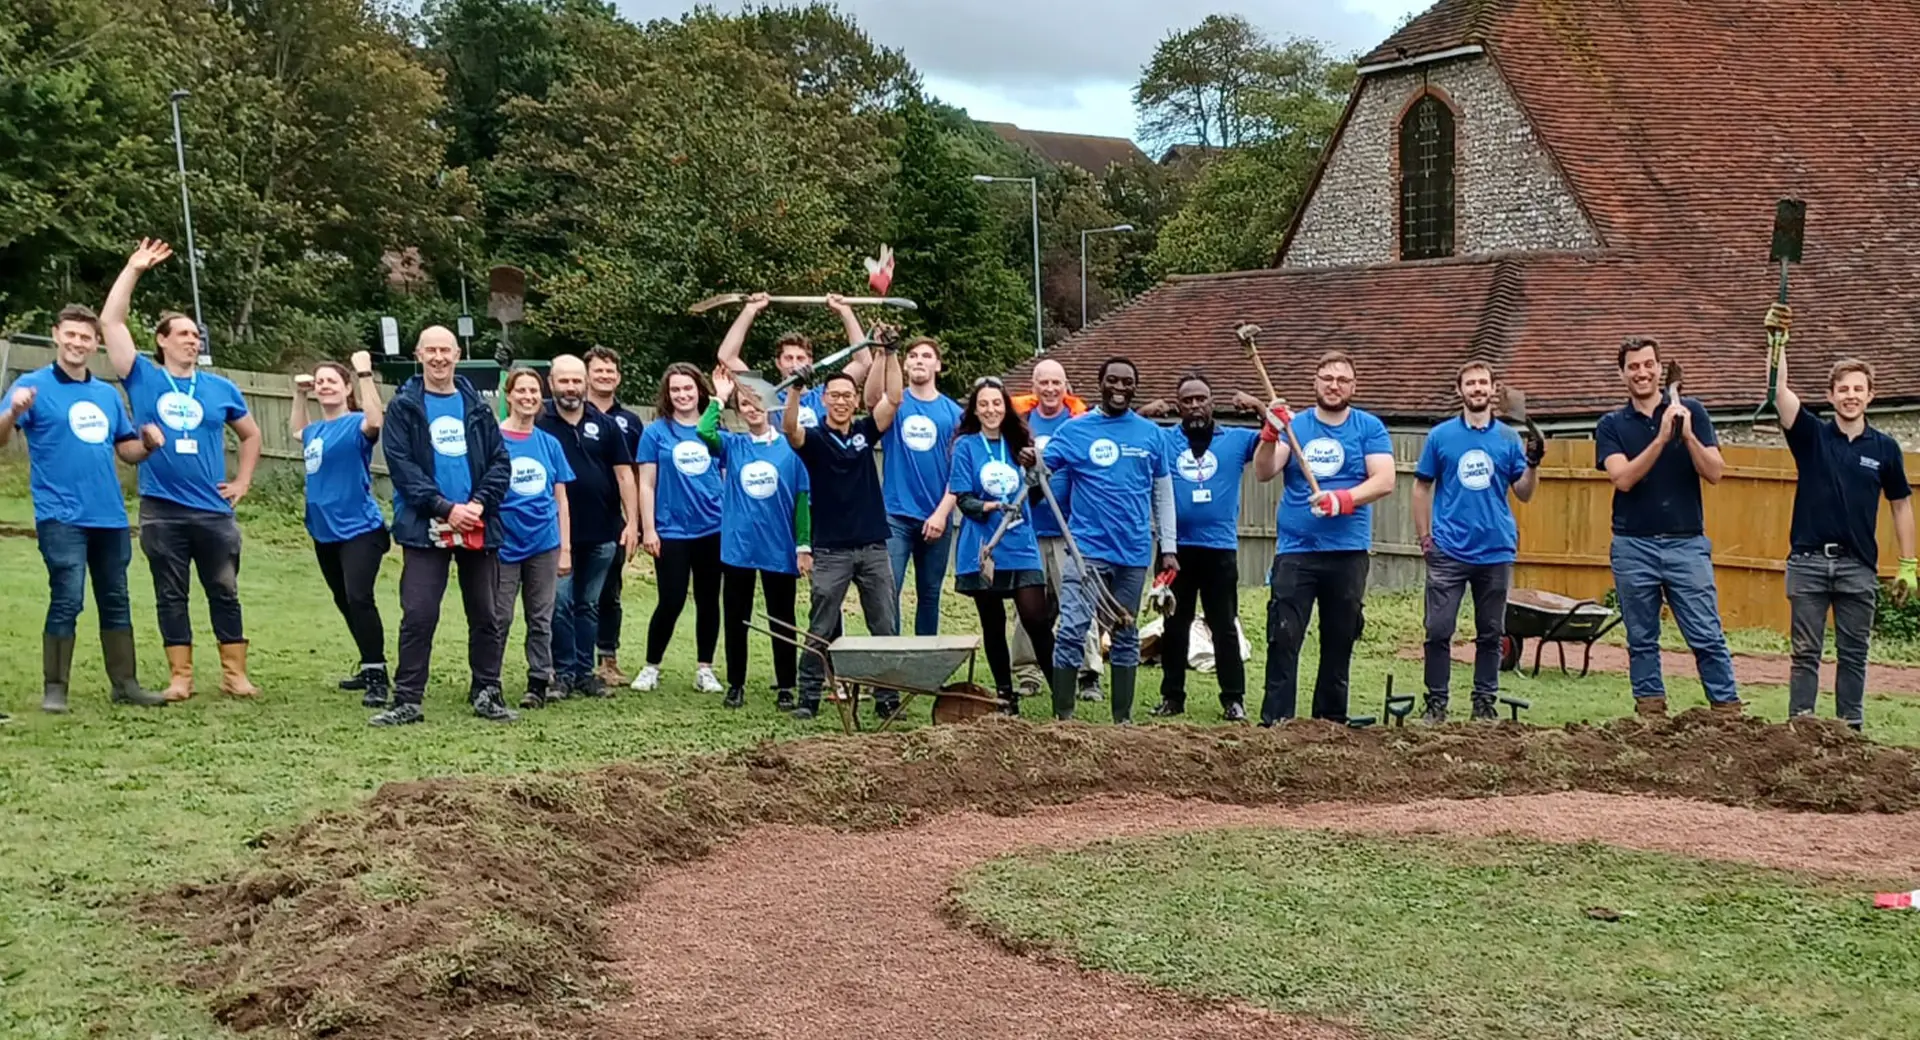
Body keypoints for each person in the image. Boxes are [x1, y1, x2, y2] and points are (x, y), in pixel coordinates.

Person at [100, 239, 266, 700]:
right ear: (162, 340)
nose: (193, 340)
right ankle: (181, 677)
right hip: (162, 510)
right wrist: (133, 268)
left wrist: (243, 481)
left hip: (214, 511)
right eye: (184, 334)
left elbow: (251, 435)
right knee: (171, 594)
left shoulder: (219, 388)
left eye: (197, 335)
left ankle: (235, 675)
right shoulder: (143, 377)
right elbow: (110, 322)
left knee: (224, 592)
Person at [0, 305, 168, 712]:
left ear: (96, 344)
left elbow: (125, 450)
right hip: (61, 516)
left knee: (116, 598)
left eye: (86, 338)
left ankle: (125, 684)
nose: (77, 343)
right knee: (67, 597)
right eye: (70, 335)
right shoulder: (31, 386)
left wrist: (147, 444)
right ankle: (55, 688)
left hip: (108, 516)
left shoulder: (106, 394)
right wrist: (12, 414)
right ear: (56, 334)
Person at [1768, 304, 1915, 730]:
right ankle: (1802, 729)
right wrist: (1777, 343)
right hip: (1809, 563)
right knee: (1805, 653)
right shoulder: (1811, 435)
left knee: (1854, 655)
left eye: (1859, 389)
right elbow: (1779, 393)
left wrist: (1909, 565)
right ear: (1830, 395)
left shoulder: (1884, 448)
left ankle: (1849, 733)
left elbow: (1901, 504)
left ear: (1870, 395)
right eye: (1843, 389)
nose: (1851, 395)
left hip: (1858, 568)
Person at [1595, 337, 1740, 717]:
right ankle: (1651, 714)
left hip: (1685, 543)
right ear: (1622, 373)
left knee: (1706, 633)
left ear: (1660, 369)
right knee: (1642, 638)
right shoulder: (1611, 425)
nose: (1641, 373)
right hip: (1632, 544)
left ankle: (1727, 712)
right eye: (1633, 367)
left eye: (1648, 365)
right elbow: (1623, 478)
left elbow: (1715, 472)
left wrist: (1687, 435)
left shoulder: (1691, 412)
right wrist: (1661, 438)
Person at [377, 325, 514, 725]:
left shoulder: (477, 407)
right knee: (419, 613)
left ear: (457, 355)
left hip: (477, 524)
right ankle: (407, 700)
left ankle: (487, 691)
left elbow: (499, 462)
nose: (439, 357)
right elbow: (403, 469)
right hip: (425, 527)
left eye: (446, 350)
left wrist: (477, 504)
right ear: (418, 355)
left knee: (487, 614)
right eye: (430, 350)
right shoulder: (404, 407)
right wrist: (444, 508)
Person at [1254, 350, 1396, 727]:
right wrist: (1270, 434)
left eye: (1342, 379)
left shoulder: (1369, 428)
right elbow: (1264, 471)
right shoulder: (1294, 425)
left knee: (1339, 639)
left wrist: (1342, 499)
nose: (1334, 385)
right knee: (1283, 638)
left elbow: (1385, 480)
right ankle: (1277, 722)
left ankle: (1329, 723)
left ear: (1353, 386)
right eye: (1327, 378)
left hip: (1347, 552)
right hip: (1296, 552)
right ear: (1315, 382)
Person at [1032, 357, 1177, 724]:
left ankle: (1122, 720)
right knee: (1071, 630)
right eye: (1112, 380)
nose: (1119, 387)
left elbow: (1163, 495)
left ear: (1134, 387)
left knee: (1125, 631)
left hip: (1133, 553)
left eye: (1127, 382)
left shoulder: (1151, 434)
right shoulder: (1075, 430)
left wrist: (1169, 548)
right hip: (1086, 553)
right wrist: (1028, 462)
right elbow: (1043, 473)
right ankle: (1063, 718)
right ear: (1100, 384)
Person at [1412, 361, 1541, 724]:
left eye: (1483, 383)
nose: (1477, 389)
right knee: (1438, 630)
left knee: (1491, 633)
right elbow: (1421, 486)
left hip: (1495, 548)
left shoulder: (1508, 438)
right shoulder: (1441, 436)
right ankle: (1436, 704)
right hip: (1449, 549)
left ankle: (1484, 704)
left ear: (1493, 389)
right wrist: (1425, 537)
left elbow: (1525, 493)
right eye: (1470, 383)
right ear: (1460, 390)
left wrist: (1532, 464)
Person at [785, 338, 903, 721]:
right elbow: (790, 430)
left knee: (884, 623)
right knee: (821, 624)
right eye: (833, 395)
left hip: (872, 546)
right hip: (831, 549)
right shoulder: (814, 439)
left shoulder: (865, 433)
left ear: (855, 400)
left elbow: (894, 401)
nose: (840, 401)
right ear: (824, 401)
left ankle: (886, 698)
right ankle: (809, 697)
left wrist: (892, 353)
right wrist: (796, 389)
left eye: (846, 396)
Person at [1148, 373, 1263, 722]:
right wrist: (1145, 411)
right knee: (1174, 624)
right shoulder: (1164, 440)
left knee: (1223, 625)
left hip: (1219, 549)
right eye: (1188, 400)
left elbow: (1282, 432)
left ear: (1213, 402)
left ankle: (1233, 699)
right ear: (1178, 405)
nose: (1195, 406)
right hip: (1173, 549)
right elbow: (1120, 432)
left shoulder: (1238, 439)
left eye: (1202, 399)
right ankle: (1172, 697)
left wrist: (1258, 405)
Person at [937, 378, 1055, 715]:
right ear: (975, 409)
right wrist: (989, 507)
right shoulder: (965, 446)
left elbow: (1035, 493)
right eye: (984, 404)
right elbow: (963, 499)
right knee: (993, 623)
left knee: (1036, 618)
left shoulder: (1019, 444)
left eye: (997, 403)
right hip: (984, 546)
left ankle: (1060, 692)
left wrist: (1037, 467)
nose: (991, 410)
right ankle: (1006, 695)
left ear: (1006, 407)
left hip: (1021, 543)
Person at [703, 367, 813, 710]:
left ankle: (785, 685)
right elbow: (704, 431)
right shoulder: (734, 445)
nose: (751, 409)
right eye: (744, 404)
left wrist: (803, 545)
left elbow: (802, 501)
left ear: (771, 406)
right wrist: (718, 398)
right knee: (737, 618)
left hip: (778, 548)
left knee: (782, 619)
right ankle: (736, 684)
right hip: (738, 548)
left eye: (757, 402)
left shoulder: (790, 448)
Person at [291, 352, 390, 707]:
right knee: (344, 599)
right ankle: (368, 663)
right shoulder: (316, 431)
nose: (324, 386)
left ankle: (377, 675)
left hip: (360, 529)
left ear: (347, 388)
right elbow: (296, 431)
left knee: (359, 596)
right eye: (320, 382)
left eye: (332, 381)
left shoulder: (356, 423)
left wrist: (364, 373)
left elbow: (376, 421)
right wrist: (299, 395)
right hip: (324, 531)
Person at [539, 355, 639, 698]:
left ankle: (585, 674)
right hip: (554, 533)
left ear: (585, 383)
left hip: (603, 531)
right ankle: (562, 674)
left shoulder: (606, 424)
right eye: (563, 381)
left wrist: (634, 522)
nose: (570, 388)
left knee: (589, 605)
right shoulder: (540, 420)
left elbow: (625, 474)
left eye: (576, 381)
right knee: (560, 605)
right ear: (551, 383)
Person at [631, 363, 724, 695]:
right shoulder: (656, 432)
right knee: (670, 599)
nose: (682, 395)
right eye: (675, 390)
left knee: (708, 599)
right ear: (667, 395)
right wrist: (649, 529)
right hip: (671, 530)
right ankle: (651, 666)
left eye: (688, 388)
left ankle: (705, 669)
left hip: (713, 528)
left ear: (699, 390)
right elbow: (646, 484)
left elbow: (726, 476)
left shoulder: (715, 431)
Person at [1009, 358, 1097, 699]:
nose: (1049, 389)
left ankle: (1088, 673)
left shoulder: (1078, 423)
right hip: (1029, 529)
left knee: (1078, 599)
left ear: (1066, 387)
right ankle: (1028, 671)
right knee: (1027, 605)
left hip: (1070, 529)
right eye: (1043, 383)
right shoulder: (1020, 425)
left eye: (1056, 383)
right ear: (1034, 387)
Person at [493, 368, 574, 710]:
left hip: (543, 542)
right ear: (508, 395)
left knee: (541, 617)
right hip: (503, 543)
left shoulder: (549, 443)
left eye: (534, 391)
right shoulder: (494, 440)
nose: (528, 397)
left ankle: (538, 681)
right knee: (498, 616)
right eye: (521, 390)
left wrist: (565, 547)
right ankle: (488, 681)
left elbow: (561, 499)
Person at [873, 336, 961, 635]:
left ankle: (924, 667)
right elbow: (872, 400)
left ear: (937, 365)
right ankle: (892, 666)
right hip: (896, 515)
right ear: (905, 364)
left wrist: (941, 514)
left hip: (937, 517)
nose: (919, 360)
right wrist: (885, 354)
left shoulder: (953, 414)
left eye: (926, 355)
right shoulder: (894, 405)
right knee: (889, 591)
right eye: (912, 356)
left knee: (929, 595)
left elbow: (960, 472)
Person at [717, 291, 872, 431]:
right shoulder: (768, 395)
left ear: (810, 362)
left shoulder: (826, 395)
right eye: (788, 358)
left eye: (800, 358)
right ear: (778, 363)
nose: (795, 364)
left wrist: (846, 312)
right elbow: (727, 356)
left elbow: (863, 363)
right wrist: (750, 310)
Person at [585, 345, 644, 687]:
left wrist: (633, 522)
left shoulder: (630, 421)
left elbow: (636, 474)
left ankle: (608, 658)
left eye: (610, 370)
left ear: (618, 377)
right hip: (573, 517)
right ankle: (565, 659)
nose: (605, 376)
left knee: (609, 591)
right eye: (598, 370)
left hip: (612, 519)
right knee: (566, 593)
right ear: (586, 374)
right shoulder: (569, 412)